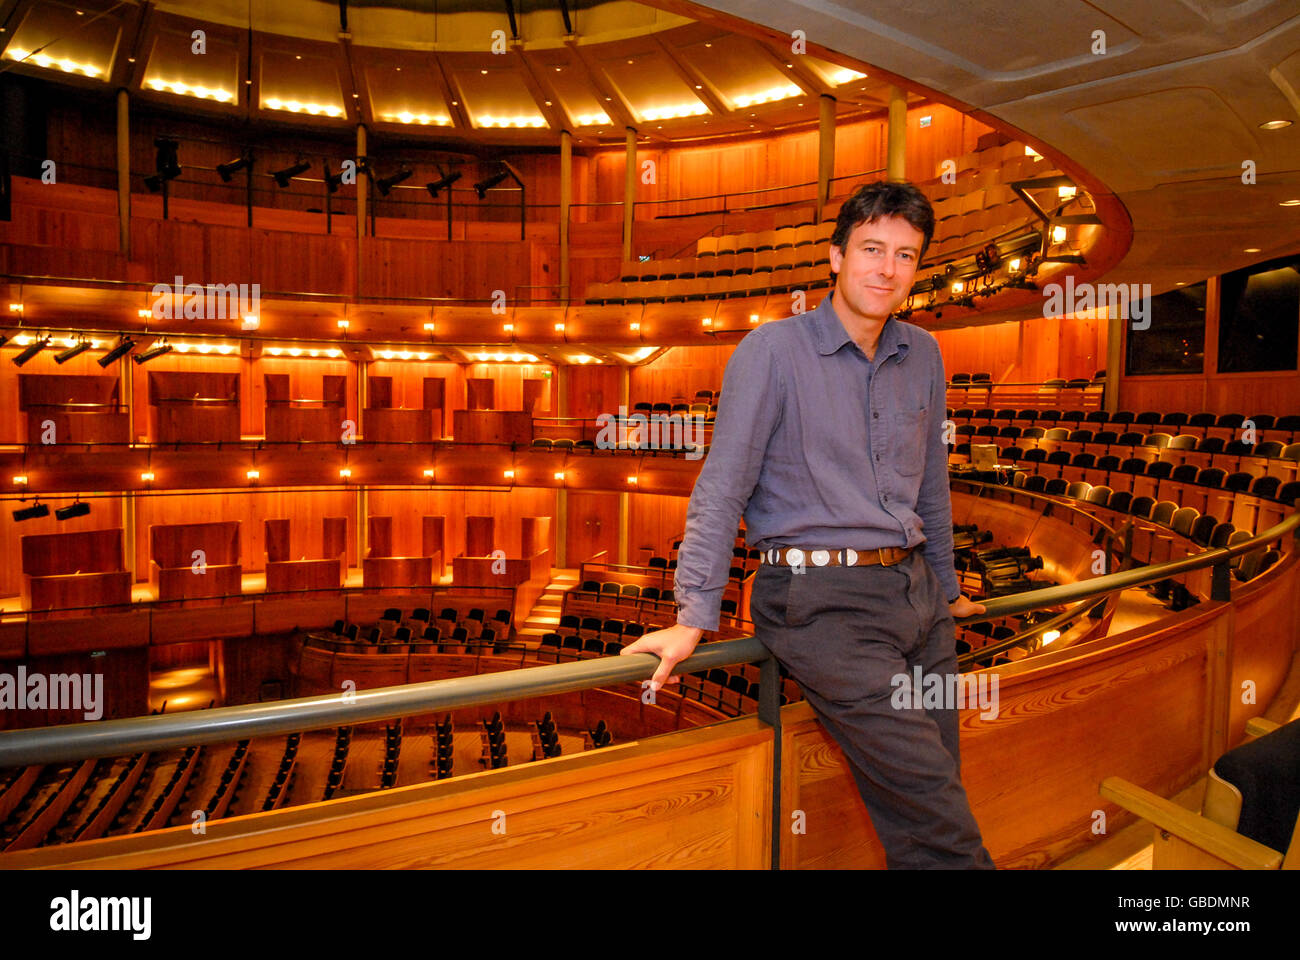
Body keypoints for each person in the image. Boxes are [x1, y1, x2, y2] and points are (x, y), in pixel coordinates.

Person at [620, 180, 996, 869]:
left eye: (906, 256)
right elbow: (721, 486)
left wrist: (944, 585)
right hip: (821, 607)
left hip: (917, 601)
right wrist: (692, 613)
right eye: (872, 249)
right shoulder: (773, 351)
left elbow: (932, 488)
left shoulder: (925, 355)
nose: (887, 269)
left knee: (933, 795)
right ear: (835, 256)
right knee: (938, 814)